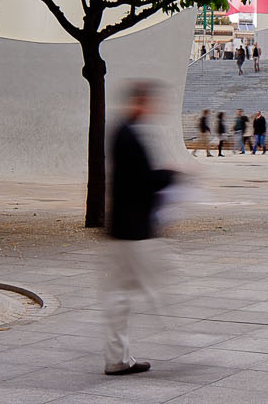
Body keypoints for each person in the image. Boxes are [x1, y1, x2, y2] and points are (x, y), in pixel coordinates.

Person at [103, 81, 177, 378]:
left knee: (121, 291)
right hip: (133, 228)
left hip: (124, 226)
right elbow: (142, 180)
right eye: (150, 103)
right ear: (140, 102)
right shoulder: (128, 135)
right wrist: (173, 175)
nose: (154, 108)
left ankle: (117, 358)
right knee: (135, 289)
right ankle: (121, 356)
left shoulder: (122, 130)